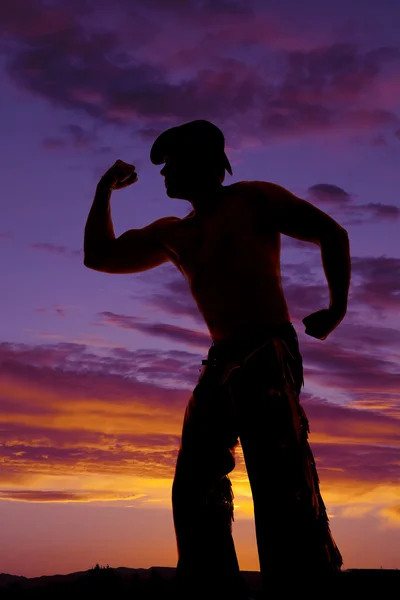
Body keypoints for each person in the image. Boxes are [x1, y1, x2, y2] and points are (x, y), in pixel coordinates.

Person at [83, 120, 351, 599]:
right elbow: (99, 256)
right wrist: (104, 190)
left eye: (172, 164)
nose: (163, 174)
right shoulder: (174, 234)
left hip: (268, 348)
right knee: (194, 486)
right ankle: (210, 593)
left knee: (280, 480)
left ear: (204, 162)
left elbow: (331, 233)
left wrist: (336, 307)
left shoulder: (252, 199)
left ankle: (305, 590)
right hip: (221, 359)